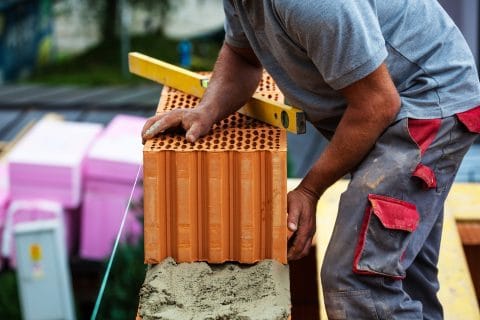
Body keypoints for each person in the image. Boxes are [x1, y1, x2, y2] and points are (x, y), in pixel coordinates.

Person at [142, 1, 480, 318]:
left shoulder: (311, 4)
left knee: (356, 279)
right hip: (388, 99)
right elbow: (242, 56)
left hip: (428, 105)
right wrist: (207, 111)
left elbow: (377, 104)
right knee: (396, 270)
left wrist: (309, 190)